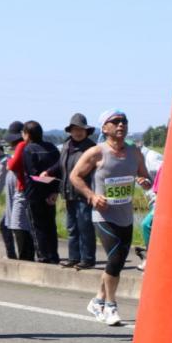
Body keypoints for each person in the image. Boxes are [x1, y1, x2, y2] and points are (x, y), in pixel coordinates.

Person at [69, 109, 151, 326]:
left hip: (126, 215)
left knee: (118, 261)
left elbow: (146, 178)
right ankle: (110, 306)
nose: (121, 124)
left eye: (124, 121)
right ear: (104, 128)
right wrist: (92, 196)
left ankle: (98, 300)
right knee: (115, 260)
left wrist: (144, 182)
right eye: (115, 122)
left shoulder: (135, 152)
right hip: (103, 215)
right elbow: (75, 176)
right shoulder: (96, 152)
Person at [0, 121, 33, 261]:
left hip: (18, 197)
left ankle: (13, 256)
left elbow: (0, 184)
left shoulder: (6, 160)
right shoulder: (8, 157)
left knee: (13, 226)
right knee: (13, 226)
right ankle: (15, 255)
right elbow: (4, 181)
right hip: (15, 197)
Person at [18, 120, 62, 264]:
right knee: (50, 226)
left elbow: (33, 174)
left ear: (27, 134)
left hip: (34, 193)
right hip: (51, 193)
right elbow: (60, 170)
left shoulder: (28, 149)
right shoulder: (52, 147)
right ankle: (53, 256)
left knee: (37, 227)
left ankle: (43, 257)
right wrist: (54, 191)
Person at [57, 112, 97, 269]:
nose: (78, 132)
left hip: (84, 193)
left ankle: (87, 259)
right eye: (75, 129)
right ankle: (74, 258)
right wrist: (48, 172)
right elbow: (60, 165)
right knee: (72, 227)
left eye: (81, 129)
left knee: (85, 227)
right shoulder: (66, 145)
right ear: (70, 131)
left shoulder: (91, 148)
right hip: (69, 192)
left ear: (86, 131)